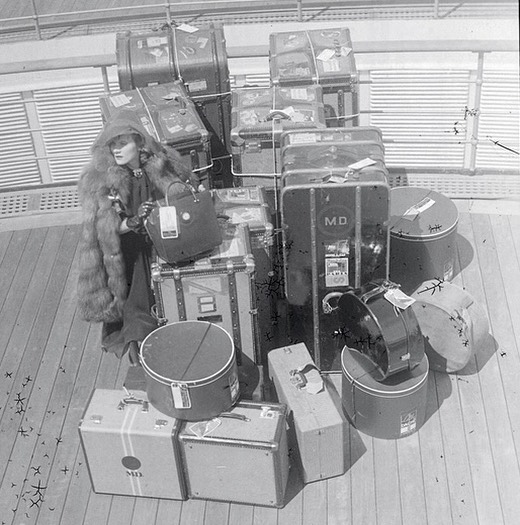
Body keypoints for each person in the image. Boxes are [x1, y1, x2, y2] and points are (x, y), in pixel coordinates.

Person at [77, 109, 198, 364]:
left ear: (139, 141)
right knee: (138, 297)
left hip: (169, 240)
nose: (116, 150)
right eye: (113, 145)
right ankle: (141, 348)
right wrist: (133, 222)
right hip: (130, 249)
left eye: (123, 143)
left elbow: (186, 192)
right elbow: (105, 231)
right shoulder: (101, 179)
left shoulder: (164, 163)